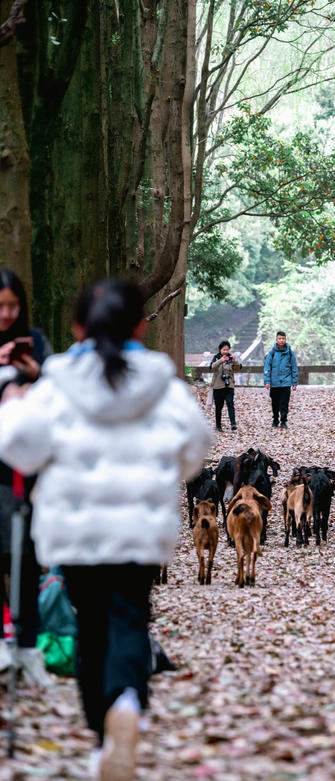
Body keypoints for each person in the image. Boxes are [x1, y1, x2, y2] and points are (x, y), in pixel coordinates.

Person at [0, 279, 211, 779]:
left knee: (92, 625)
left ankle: (102, 735)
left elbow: (20, 449)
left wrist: (11, 404)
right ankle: (128, 705)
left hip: (74, 532)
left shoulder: (56, 384)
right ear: (141, 324)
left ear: (76, 328)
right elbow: (195, 449)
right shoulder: (162, 384)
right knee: (130, 618)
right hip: (140, 533)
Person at [0, 268, 52, 686]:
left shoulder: (37, 343)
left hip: (28, 475)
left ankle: (29, 647)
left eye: (12, 306)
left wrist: (36, 375)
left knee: (27, 561)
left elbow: (58, 400)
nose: (6, 315)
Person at [264, 331, 298, 429]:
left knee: (284, 403)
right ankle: (275, 419)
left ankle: (283, 421)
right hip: (274, 382)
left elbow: (294, 368)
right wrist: (267, 381)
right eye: (279, 339)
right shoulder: (272, 353)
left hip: (286, 382)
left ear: (285, 339)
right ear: (276, 339)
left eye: (283, 339)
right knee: (275, 403)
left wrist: (294, 382)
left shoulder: (290, 353)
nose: (281, 340)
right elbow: (267, 367)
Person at [210, 340, 241, 432]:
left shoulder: (231, 358)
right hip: (218, 386)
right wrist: (221, 360)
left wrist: (234, 360)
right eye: (224, 350)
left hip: (229, 385)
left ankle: (233, 423)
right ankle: (218, 425)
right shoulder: (216, 358)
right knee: (218, 406)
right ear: (220, 350)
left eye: (227, 350)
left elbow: (238, 367)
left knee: (230, 404)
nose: (225, 352)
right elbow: (212, 367)